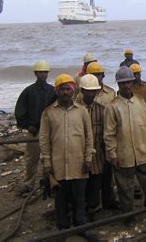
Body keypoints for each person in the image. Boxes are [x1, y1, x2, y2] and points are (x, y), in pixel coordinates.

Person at [104, 67, 146, 221]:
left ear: (132, 82)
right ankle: (128, 217)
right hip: (124, 154)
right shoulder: (112, 107)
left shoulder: (140, 102)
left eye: (128, 82)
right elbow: (109, 134)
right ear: (118, 84)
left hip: (143, 150)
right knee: (125, 187)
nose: (126, 86)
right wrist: (113, 154)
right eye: (122, 83)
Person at [39, 74, 94, 230]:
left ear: (73, 91)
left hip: (79, 163)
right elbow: (44, 140)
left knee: (79, 198)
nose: (65, 92)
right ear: (57, 91)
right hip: (58, 165)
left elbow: (89, 137)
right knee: (61, 199)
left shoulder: (82, 111)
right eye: (62, 89)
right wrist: (47, 163)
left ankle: (80, 225)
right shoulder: (48, 113)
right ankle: (62, 227)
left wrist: (88, 158)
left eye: (68, 89)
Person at [14, 60, 56, 196]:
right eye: (40, 72)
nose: (43, 75)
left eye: (45, 72)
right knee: (31, 159)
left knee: (50, 159)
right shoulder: (28, 91)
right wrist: (28, 126)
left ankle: (49, 182)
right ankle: (28, 184)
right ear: (36, 74)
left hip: (50, 131)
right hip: (34, 131)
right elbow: (19, 112)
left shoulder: (53, 91)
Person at [82, 61, 118, 210]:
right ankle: (91, 204)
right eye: (93, 75)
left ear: (103, 75)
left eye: (99, 74)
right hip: (88, 139)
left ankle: (108, 200)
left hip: (104, 137)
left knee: (107, 172)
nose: (97, 77)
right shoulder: (80, 97)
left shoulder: (110, 93)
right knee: (90, 174)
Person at [76, 74, 105, 217]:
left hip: (98, 157)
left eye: (94, 91)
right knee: (80, 189)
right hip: (79, 158)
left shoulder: (101, 110)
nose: (91, 94)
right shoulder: (75, 110)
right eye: (88, 91)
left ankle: (92, 210)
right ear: (82, 91)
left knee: (95, 188)